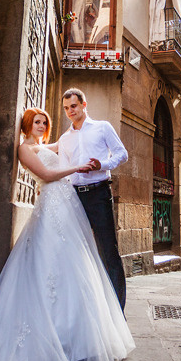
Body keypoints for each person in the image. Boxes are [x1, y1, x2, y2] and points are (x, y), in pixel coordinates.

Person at [0, 108, 134, 361]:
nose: (41, 126)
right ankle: (51, 344)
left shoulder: (46, 145)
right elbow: (46, 174)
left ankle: (78, 341)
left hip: (67, 207)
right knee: (49, 265)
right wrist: (77, 169)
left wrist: (92, 145)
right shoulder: (24, 149)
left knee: (76, 269)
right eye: (36, 122)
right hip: (51, 208)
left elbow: (72, 140)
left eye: (44, 122)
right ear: (27, 125)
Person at [58, 88, 129, 310]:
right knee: (75, 251)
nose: (70, 111)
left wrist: (102, 164)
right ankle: (85, 310)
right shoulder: (64, 139)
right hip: (74, 197)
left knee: (108, 251)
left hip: (98, 194)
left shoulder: (102, 128)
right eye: (67, 108)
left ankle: (117, 311)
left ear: (84, 105)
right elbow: (64, 169)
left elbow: (122, 154)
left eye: (74, 106)